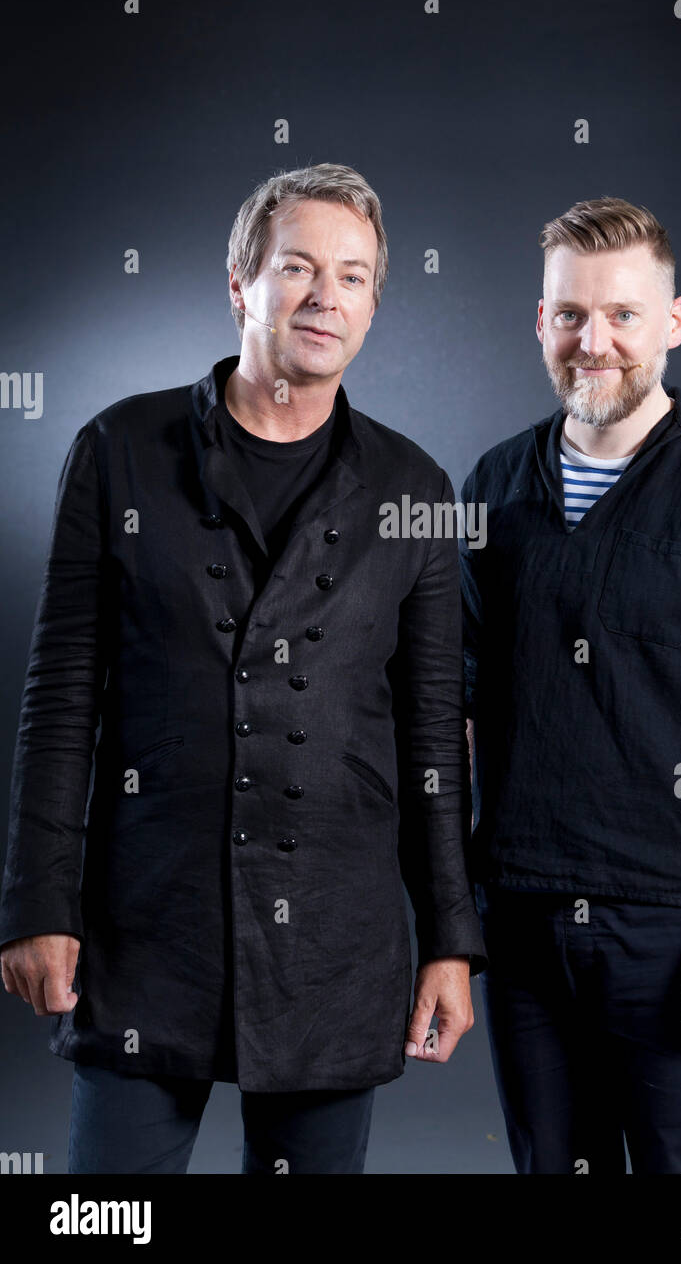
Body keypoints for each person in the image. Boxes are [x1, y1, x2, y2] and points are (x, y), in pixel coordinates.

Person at [0, 162, 485, 1174]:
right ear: (239, 281)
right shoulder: (118, 450)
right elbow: (58, 702)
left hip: (333, 941)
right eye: (298, 267)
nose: (325, 296)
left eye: (352, 277)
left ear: (373, 305)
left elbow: (433, 736)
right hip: (148, 923)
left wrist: (448, 939)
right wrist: (38, 903)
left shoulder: (414, 488)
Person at [459, 196, 681, 1175]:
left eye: (622, 314)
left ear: (673, 321)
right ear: (541, 324)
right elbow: (454, 703)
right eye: (570, 314)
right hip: (523, 924)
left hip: (670, 927)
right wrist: (455, 917)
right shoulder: (493, 485)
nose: (594, 341)